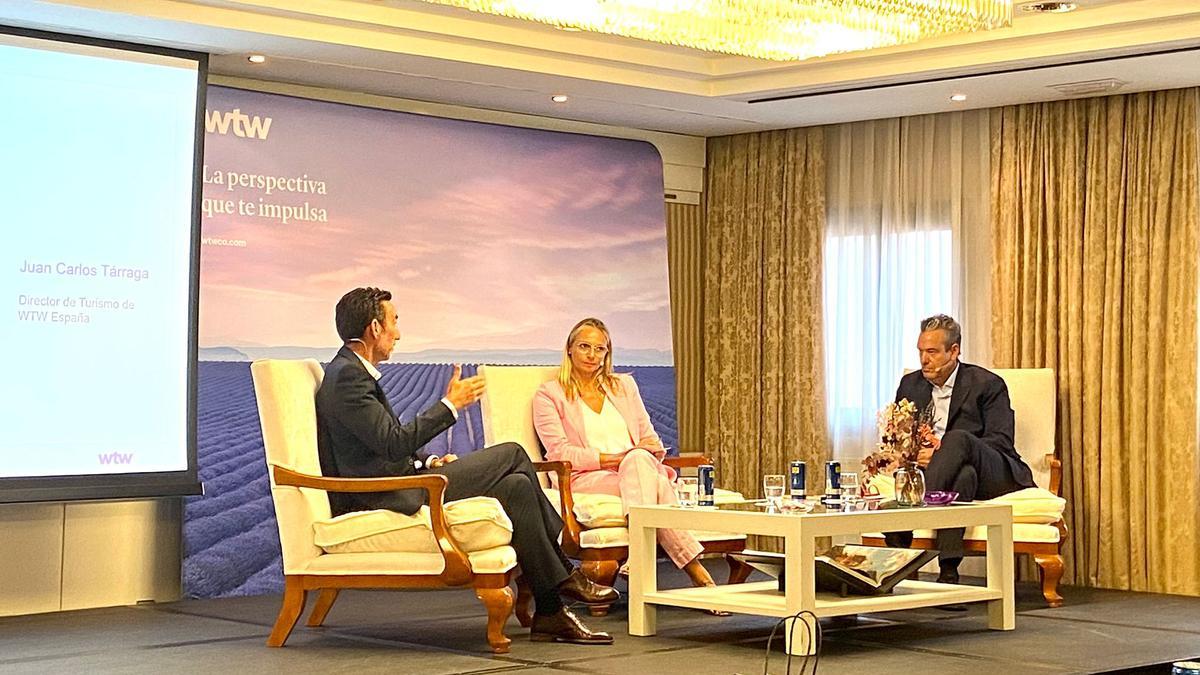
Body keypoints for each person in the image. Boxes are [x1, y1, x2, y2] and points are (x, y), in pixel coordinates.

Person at [315, 287, 617, 645]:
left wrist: (428, 460)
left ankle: (550, 613)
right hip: (385, 493)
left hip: (405, 479)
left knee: (517, 487)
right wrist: (449, 405)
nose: (399, 332)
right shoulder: (348, 377)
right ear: (375, 329)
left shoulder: (350, 372)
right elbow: (392, 440)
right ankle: (565, 570)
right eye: (394, 322)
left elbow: (377, 444)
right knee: (512, 454)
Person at [532, 318, 727, 611]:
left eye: (600, 349)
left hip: (637, 471)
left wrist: (639, 455)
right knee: (652, 478)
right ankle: (699, 577)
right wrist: (616, 459)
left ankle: (639, 556)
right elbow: (560, 453)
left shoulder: (624, 386)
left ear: (607, 354)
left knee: (640, 464)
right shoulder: (550, 394)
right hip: (589, 478)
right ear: (570, 349)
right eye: (584, 346)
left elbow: (649, 438)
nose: (592, 355)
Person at [885, 314, 1035, 586]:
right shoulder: (910, 385)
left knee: (958, 440)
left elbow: (1001, 441)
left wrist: (946, 452)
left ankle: (902, 526)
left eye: (931, 352)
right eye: (920, 351)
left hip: (994, 470)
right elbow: (898, 438)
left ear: (954, 351)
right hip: (951, 475)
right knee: (963, 476)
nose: (924, 360)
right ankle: (949, 571)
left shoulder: (987, 384)